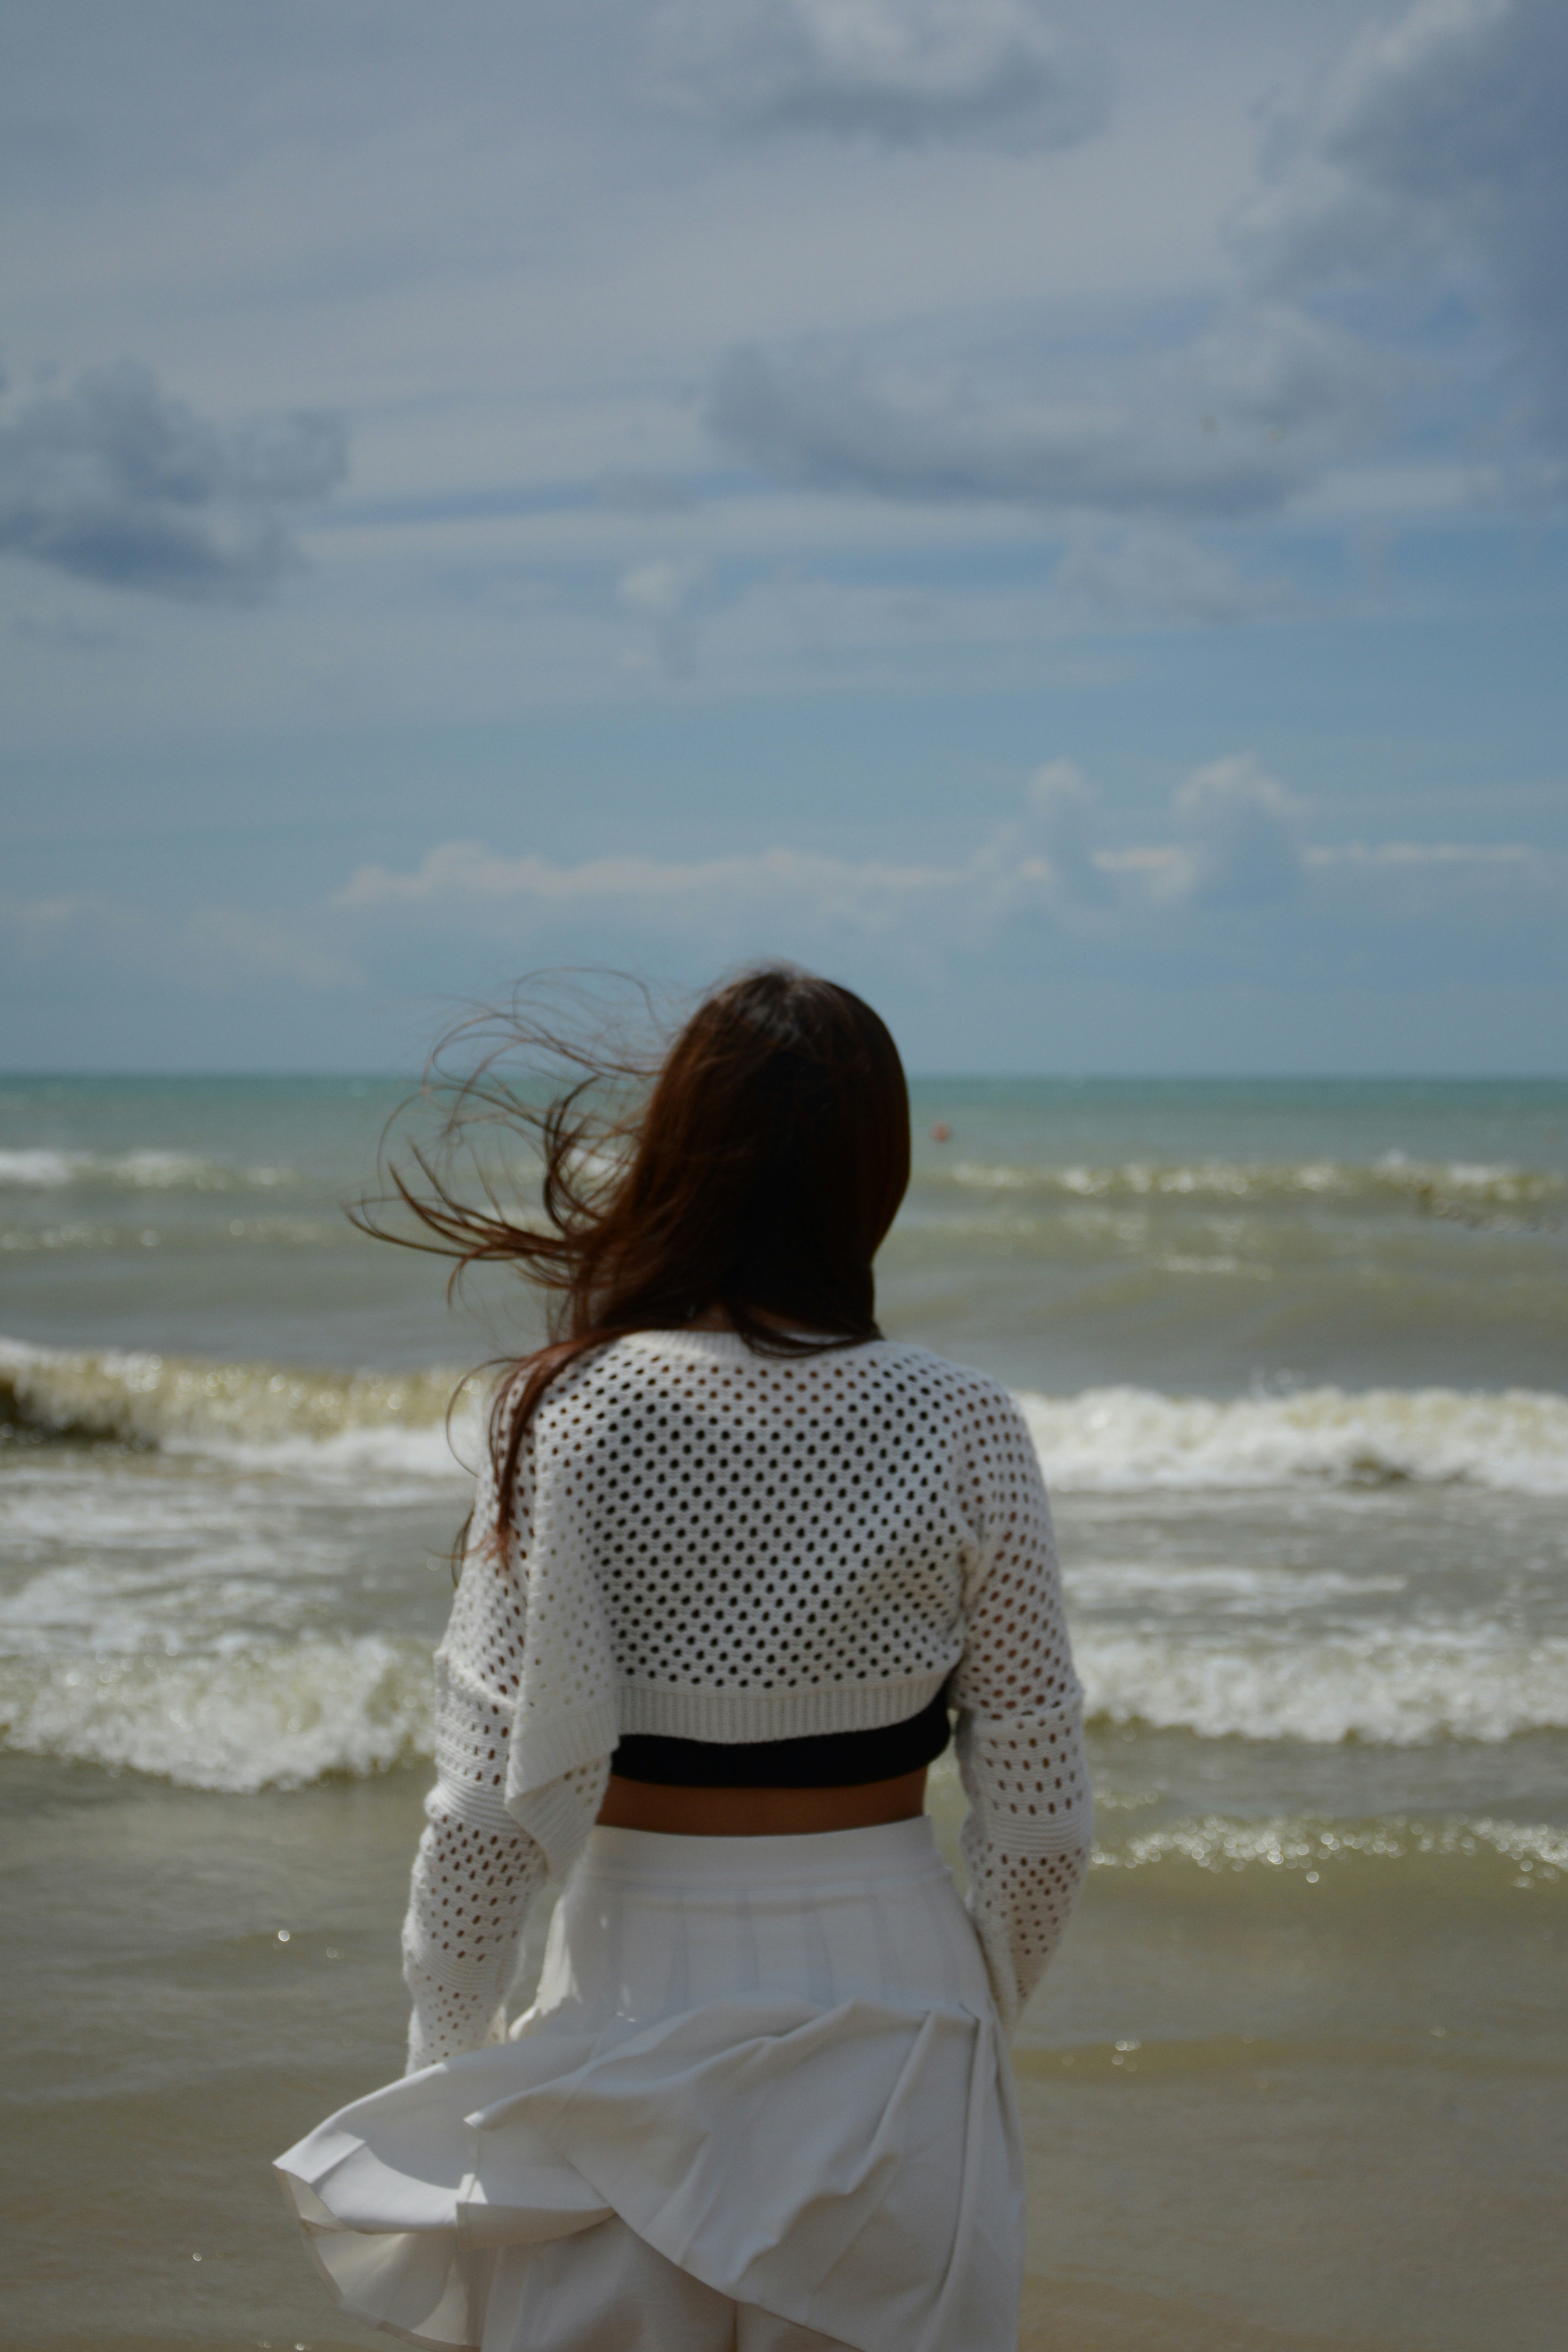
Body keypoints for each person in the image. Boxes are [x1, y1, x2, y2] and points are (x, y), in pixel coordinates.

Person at [276, 966, 1093, 2352]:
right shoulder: (968, 1427)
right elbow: (1040, 1823)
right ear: (873, 1174)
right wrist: (964, 2026)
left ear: (676, 1154)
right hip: (897, 2025)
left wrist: (449, 2064)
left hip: (624, 2013)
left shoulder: (567, 1414)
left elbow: (486, 1814)